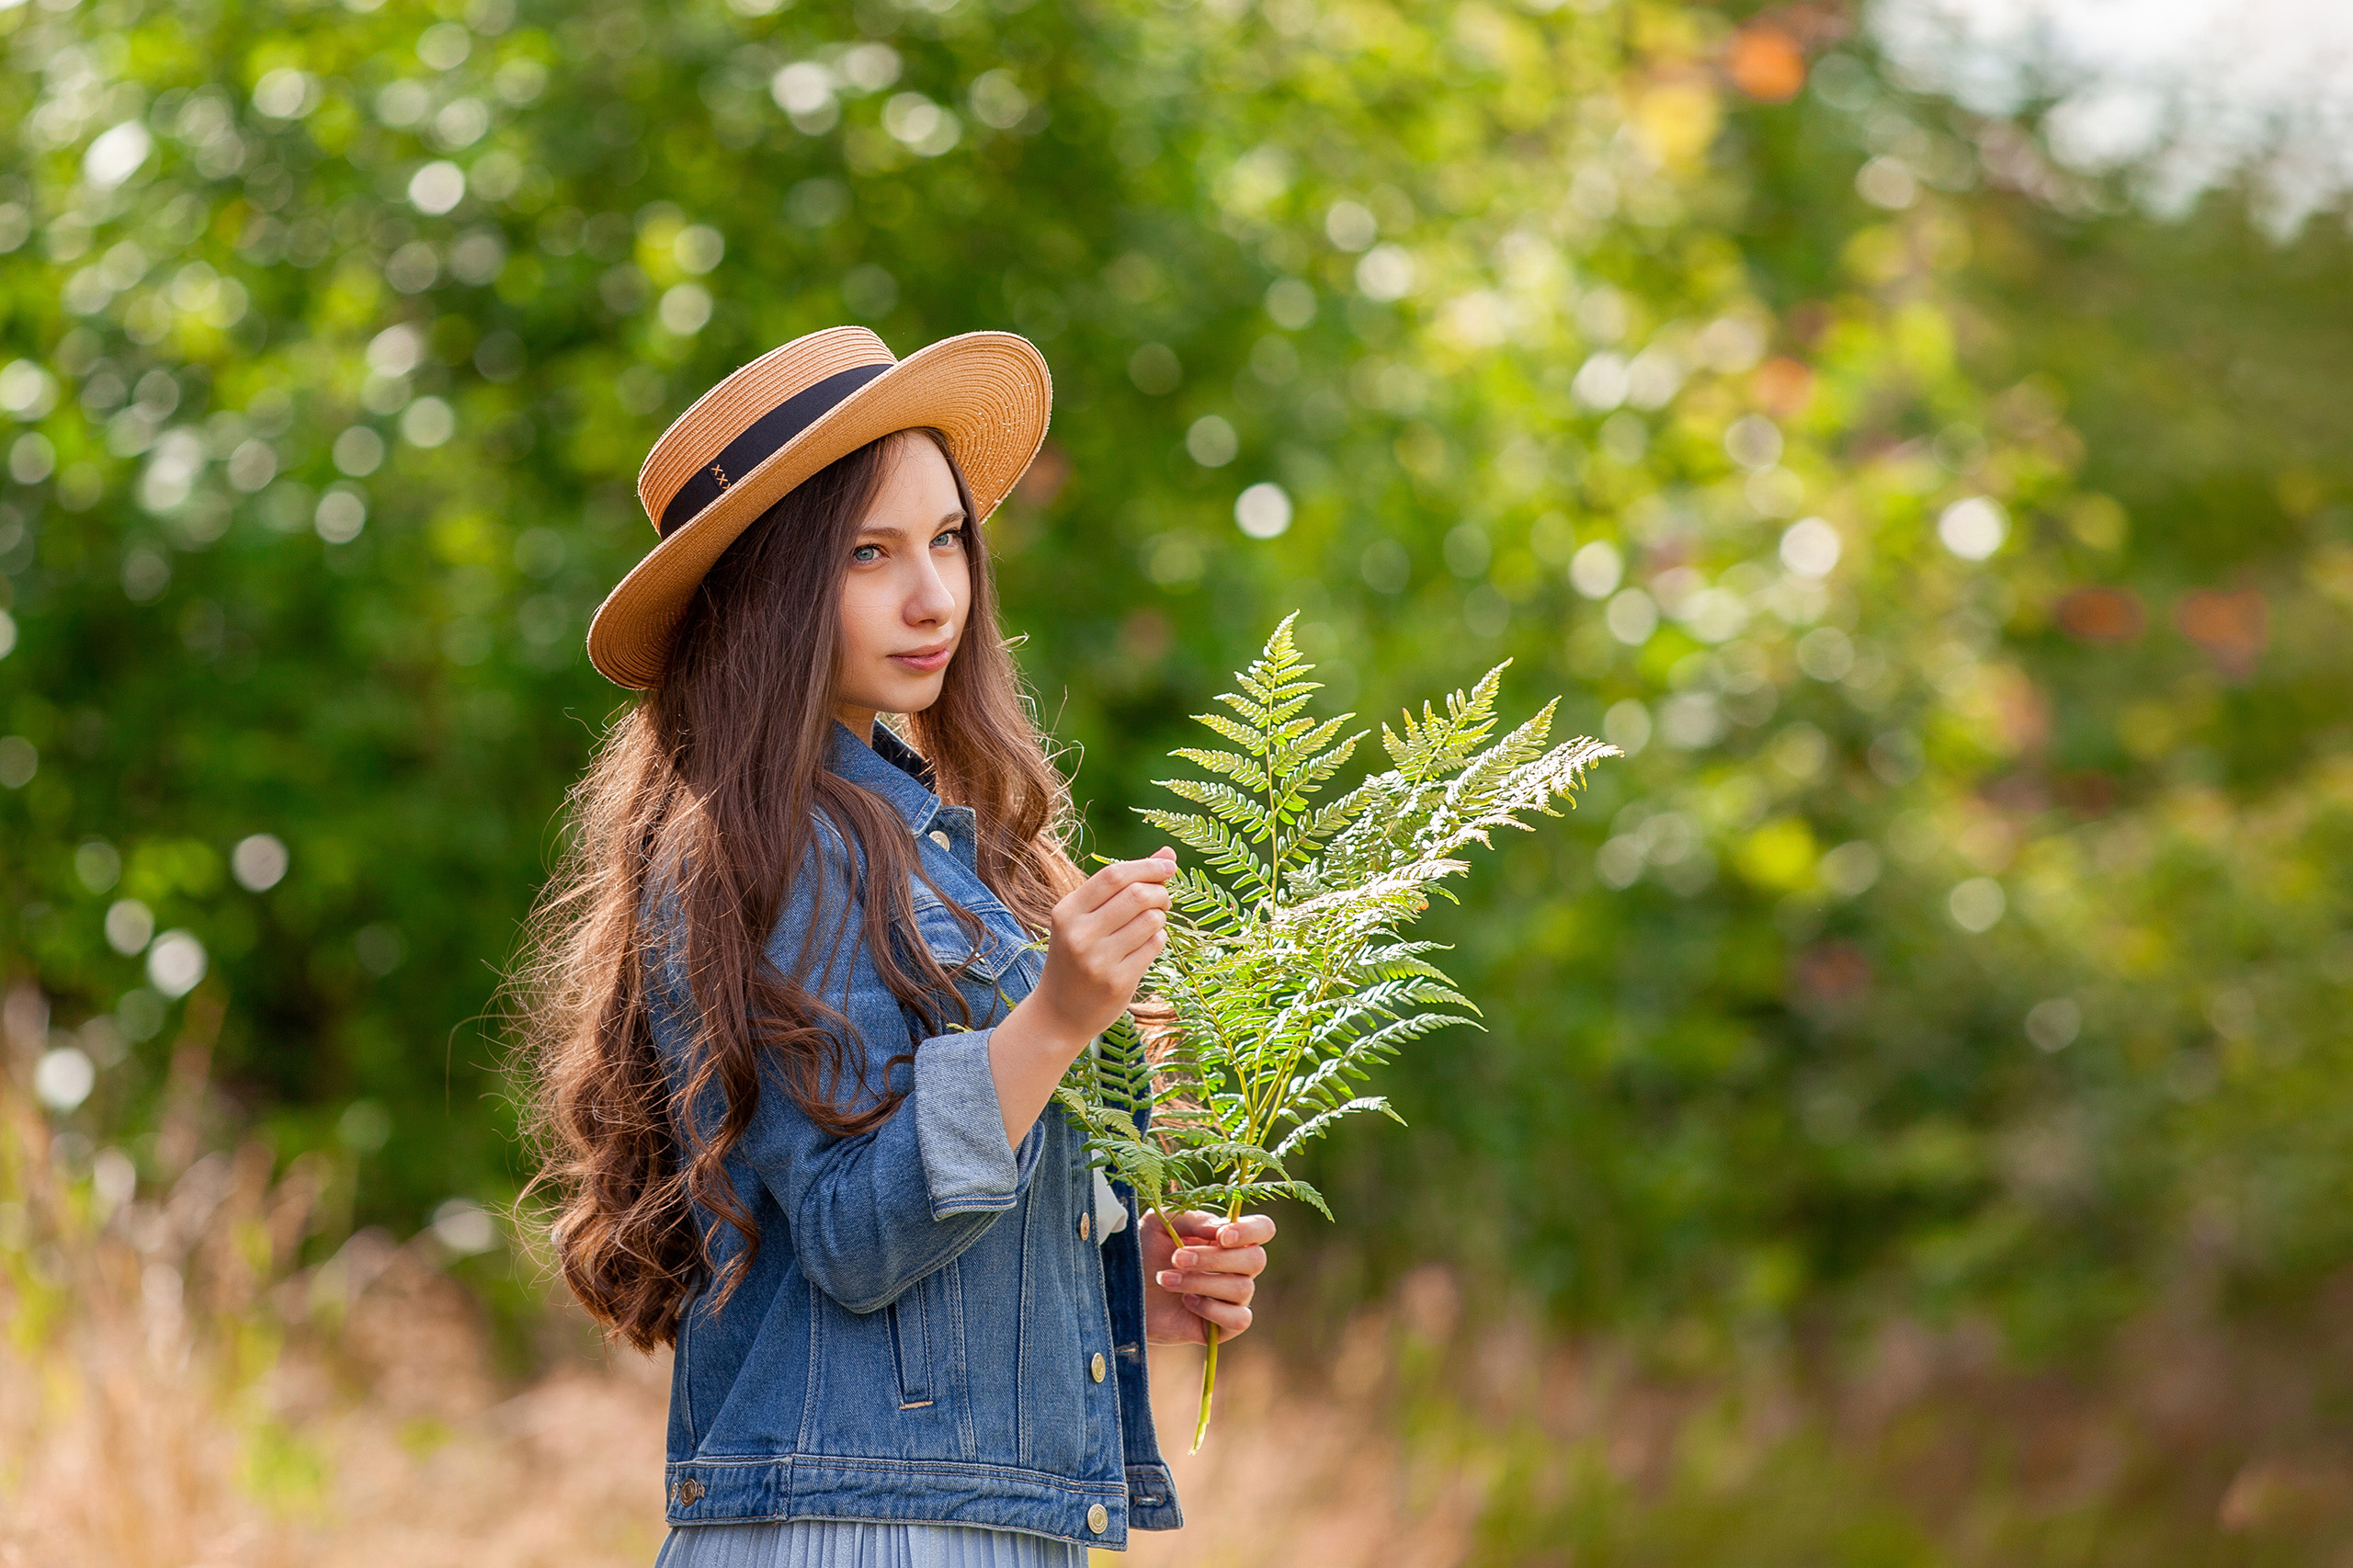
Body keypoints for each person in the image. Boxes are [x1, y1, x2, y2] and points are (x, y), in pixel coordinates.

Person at [517, 324, 1276, 1564]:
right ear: (766, 590)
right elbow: (857, 1236)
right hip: (861, 1535)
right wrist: (1058, 1017)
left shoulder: (940, 845)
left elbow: (937, 1280)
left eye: (945, 539)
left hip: (963, 1526)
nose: (933, 593)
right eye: (870, 554)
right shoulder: (767, 844)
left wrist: (1143, 1281)